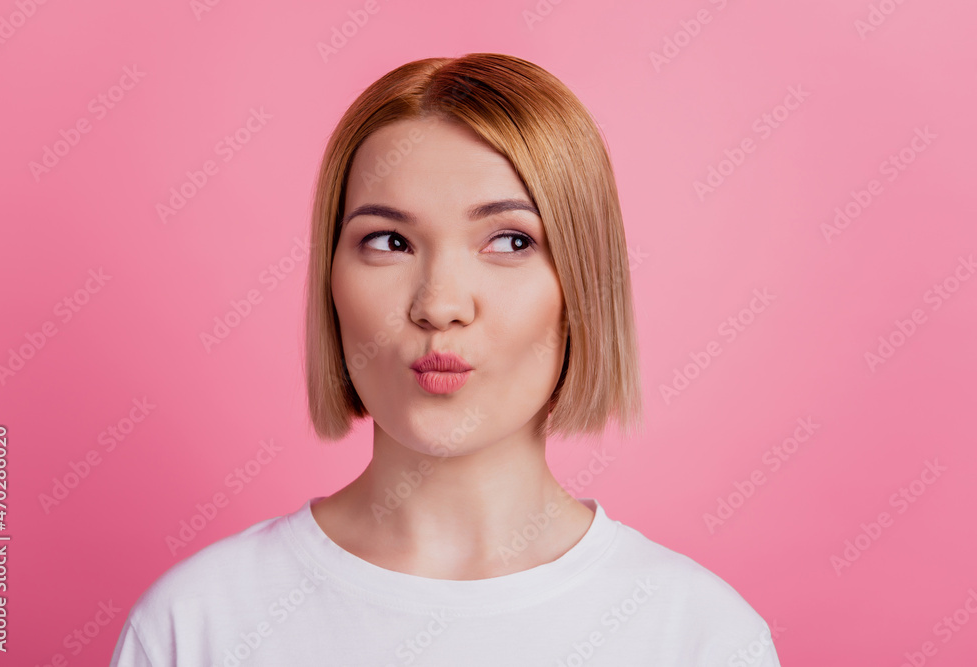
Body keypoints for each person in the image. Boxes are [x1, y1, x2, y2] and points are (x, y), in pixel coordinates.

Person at [109, 53, 781, 666]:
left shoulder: (699, 638)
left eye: (510, 241)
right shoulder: (193, 626)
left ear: (582, 283)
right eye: (389, 241)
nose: (439, 304)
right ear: (331, 279)